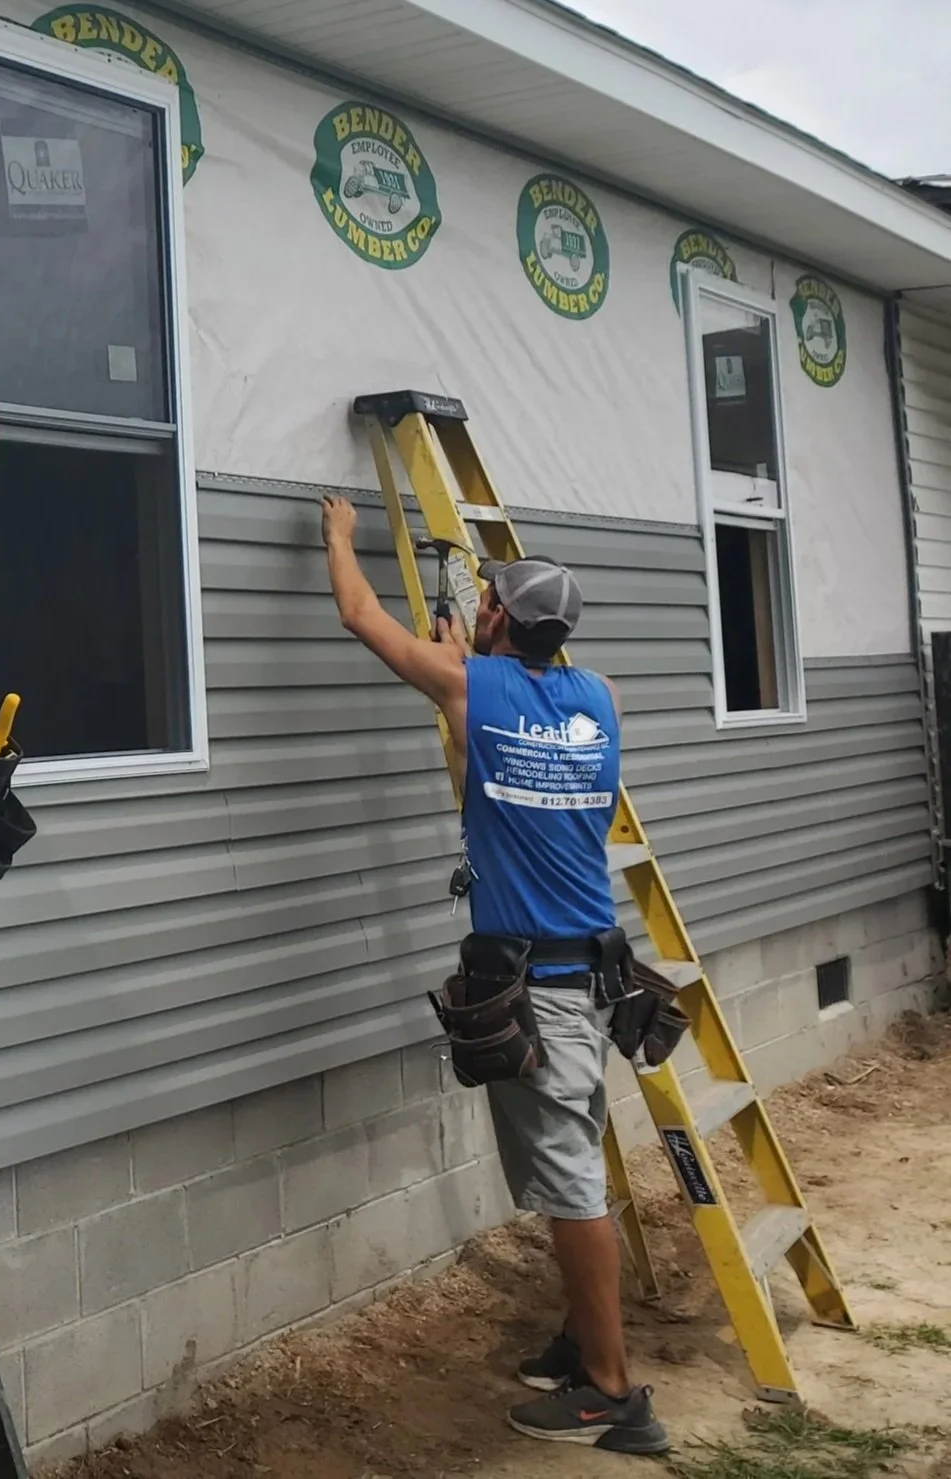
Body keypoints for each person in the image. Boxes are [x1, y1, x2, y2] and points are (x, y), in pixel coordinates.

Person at [320, 497, 670, 1458]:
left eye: (487, 606)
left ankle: (610, 1394)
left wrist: (340, 538)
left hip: (546, 989)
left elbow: (359, 617)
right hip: (589, 973)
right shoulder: (598, 697)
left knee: (569, 1186)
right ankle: (580, 1340)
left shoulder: (471, 686)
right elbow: (507, 715)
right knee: (577, 1160)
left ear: (499, 621)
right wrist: (468, 657)